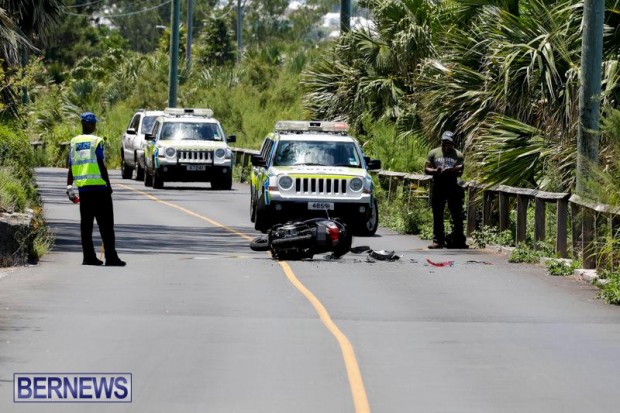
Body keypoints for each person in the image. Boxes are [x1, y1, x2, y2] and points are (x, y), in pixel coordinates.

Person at [66, 112, 126, 266]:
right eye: (94, 123)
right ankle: (111, 257)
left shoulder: (74, 142)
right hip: (100, 189)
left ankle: (88, 257)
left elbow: (71, 166)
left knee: (86, 226)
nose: (95, 126)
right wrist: (109, 185)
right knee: (106, 225)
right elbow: (101, 164)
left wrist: (69, 187)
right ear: (90, 124)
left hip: (84, 190)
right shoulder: (96, 141)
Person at [424, 131, 468, 249]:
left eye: (449, 143)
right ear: (442, 142)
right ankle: (438, 241)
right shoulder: (433, 153)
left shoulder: (458, 155)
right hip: (438, 185)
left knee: (457, 214)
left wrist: (452, 170)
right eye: (445, 142)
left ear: (452, 143)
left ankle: (458, 240)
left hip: (452, 185)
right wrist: (436, 170)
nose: (446, 145)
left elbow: (460, 171)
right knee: (438, 214)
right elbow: (426, 169)